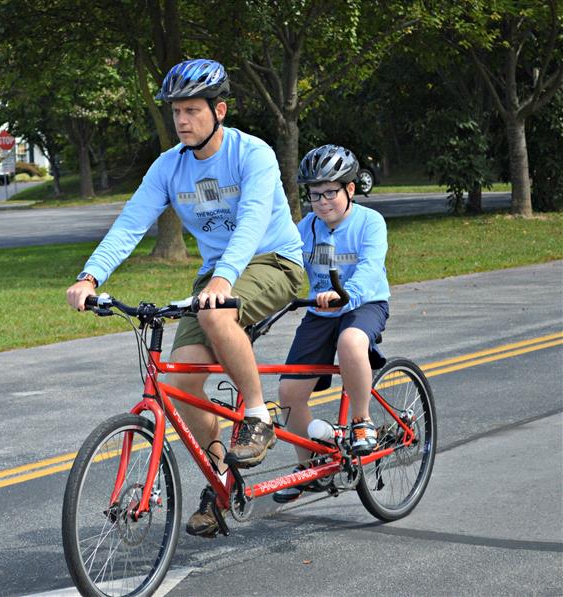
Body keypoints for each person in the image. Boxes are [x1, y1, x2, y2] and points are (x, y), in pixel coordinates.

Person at [66, 58, 303, 535]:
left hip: (275, 261)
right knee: (184, 385)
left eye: (192, 110)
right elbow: (132, 223)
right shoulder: (169, 166)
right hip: (218, 275)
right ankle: (221, 484)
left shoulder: (251, 153)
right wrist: (90, 276)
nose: (182, 121)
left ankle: (257, 417)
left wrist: (224, 279)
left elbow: (255, 219)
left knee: (218, 316)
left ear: (220, 110)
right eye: (176, 111)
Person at [273, 144, 390, 503]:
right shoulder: (305, 227)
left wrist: (347, 294)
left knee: (351, 342)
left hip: (364, 304)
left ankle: (362, 421)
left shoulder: (370, 222)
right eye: (314, 194)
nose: (322, 202)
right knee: (288, 395)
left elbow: (370, 268)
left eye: (330, 193)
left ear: (350, 190)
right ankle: (310, 466)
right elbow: (286, 266)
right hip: (320, 311)